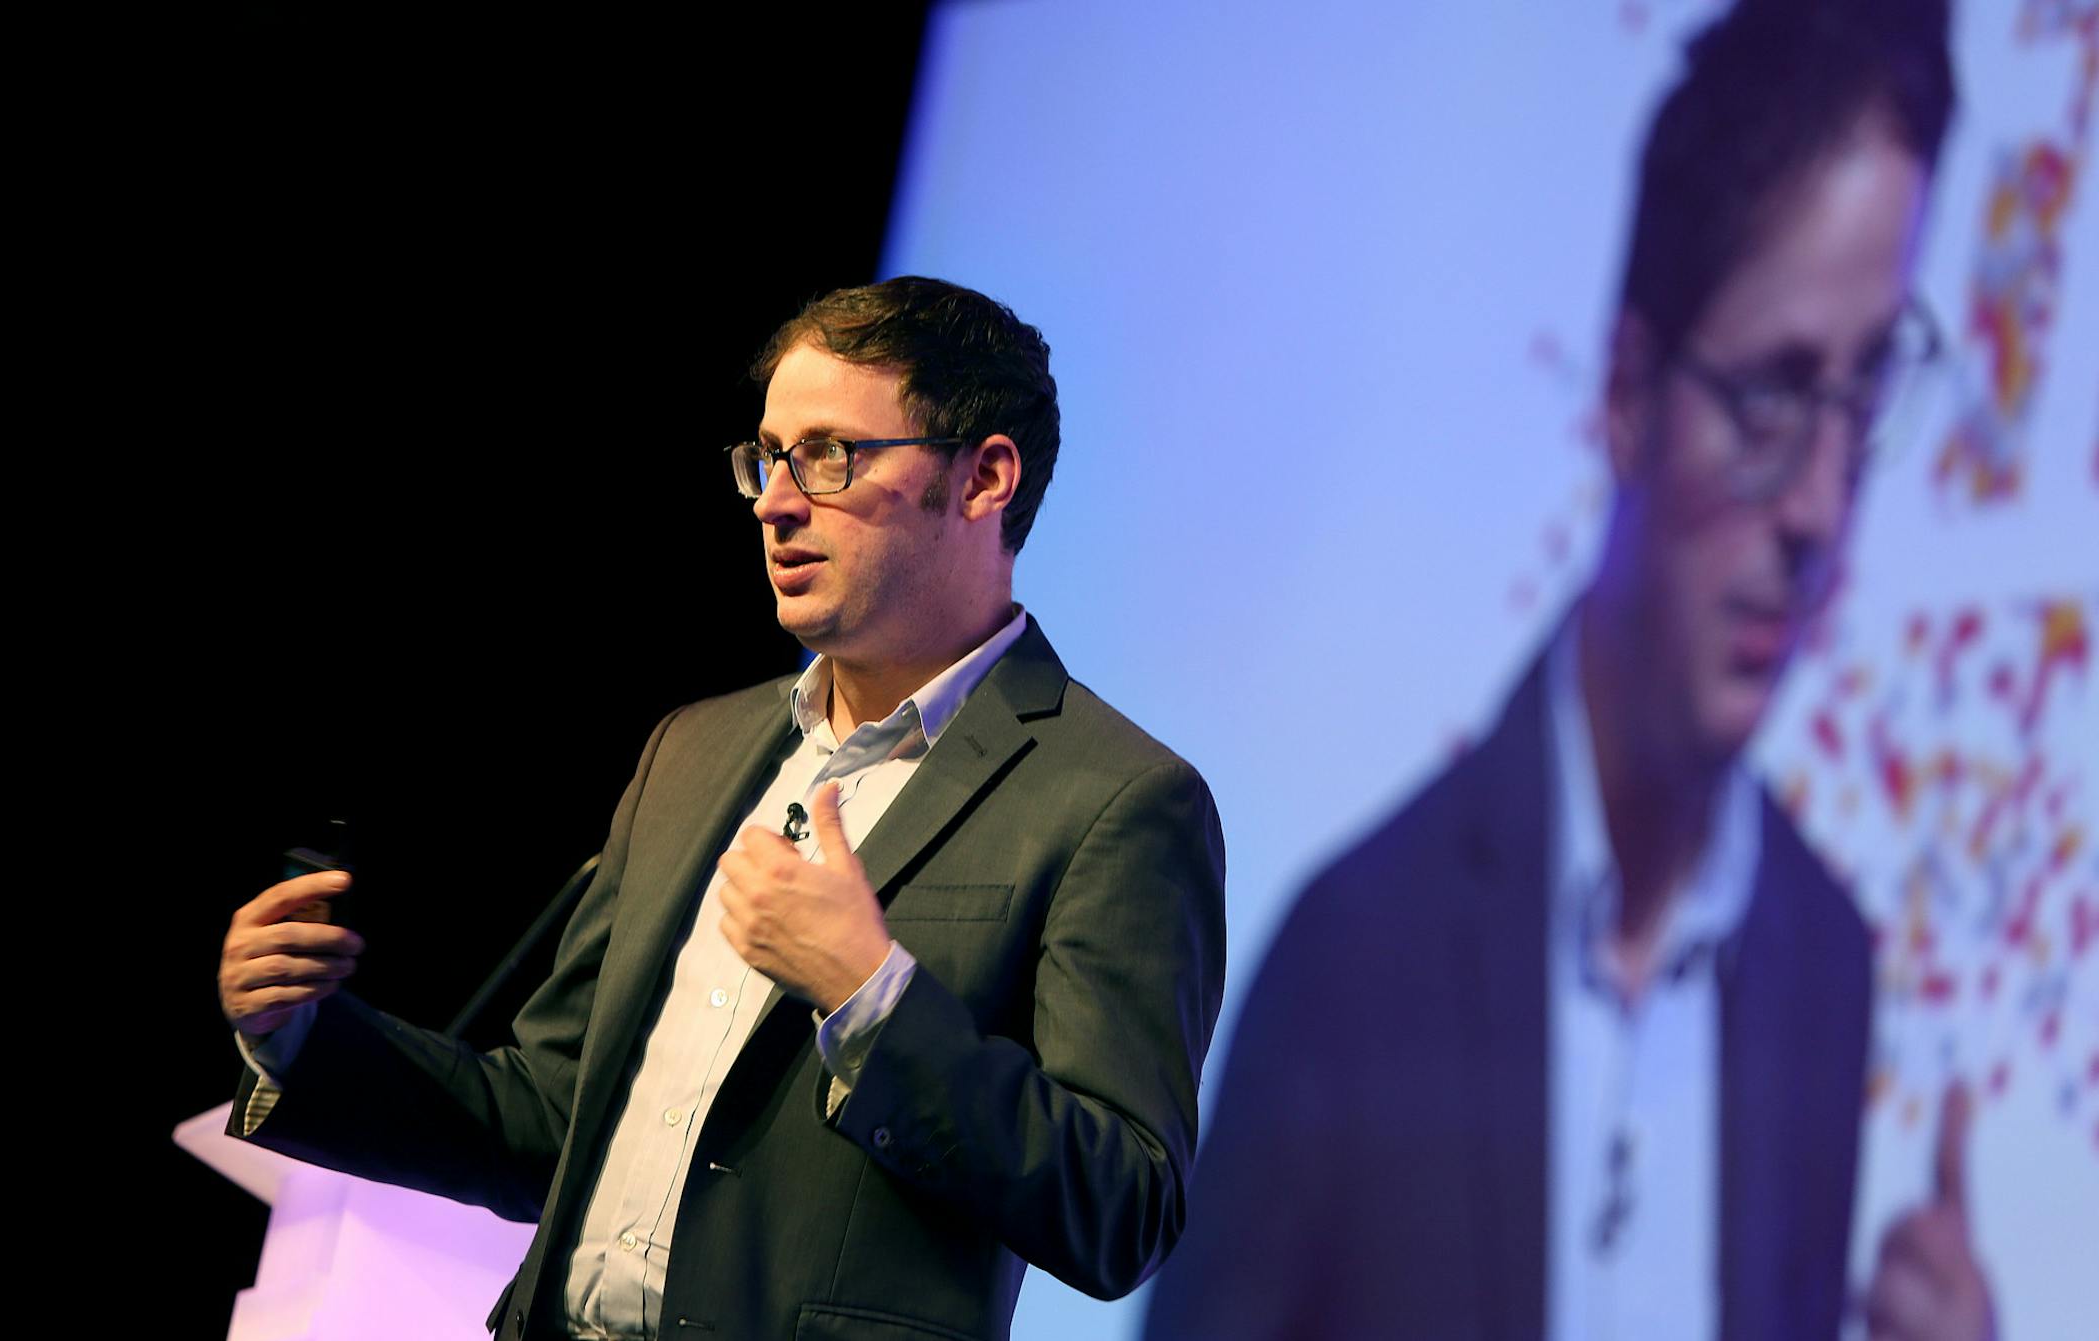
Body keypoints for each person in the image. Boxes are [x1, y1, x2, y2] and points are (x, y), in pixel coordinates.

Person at [1144, 2, 1991, 1339]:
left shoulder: (1824, 967)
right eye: (1772, 394)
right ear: (1628, 393)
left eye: (1867, 391)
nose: (1822, 506)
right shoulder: (1355, 970)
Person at [219, 276, 1227, 1341]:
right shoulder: (694, 750)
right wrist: (301, 1039)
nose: (774, 503)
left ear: (983, 478)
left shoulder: (1115, 800)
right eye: (768, 457)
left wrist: (871, 995)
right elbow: (554, 1114)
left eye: (830, 456)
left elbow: (1123, 1208)